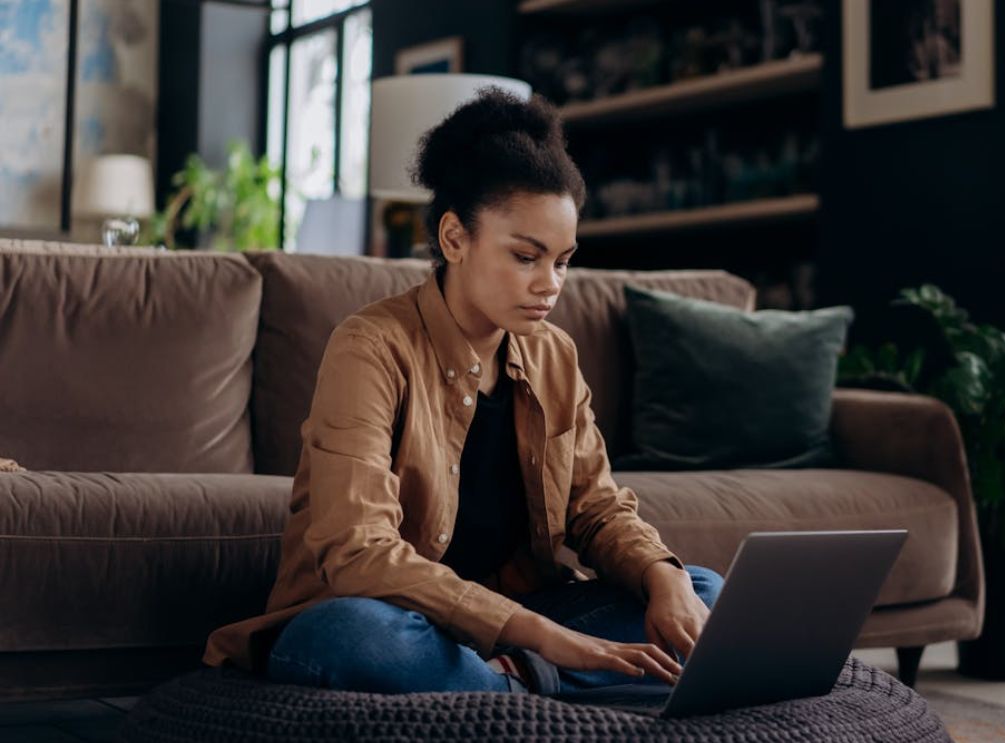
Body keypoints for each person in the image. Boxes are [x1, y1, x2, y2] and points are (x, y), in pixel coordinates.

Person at [202, 87, 724, 696]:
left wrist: (666, 579)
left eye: (562, 261)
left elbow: (597, 508)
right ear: (454, 238)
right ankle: (552, 683)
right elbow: (356, 552)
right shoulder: (371, 346)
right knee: (351, 637)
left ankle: (505, 688)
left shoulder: (554, 355)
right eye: (526, 256)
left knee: (703, 593)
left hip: (517, 621)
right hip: (396, 617)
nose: (550, 284)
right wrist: (538, 634)